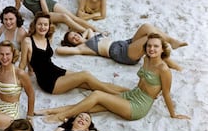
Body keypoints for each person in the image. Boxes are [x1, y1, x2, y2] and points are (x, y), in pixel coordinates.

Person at [36, 33, 190, 122]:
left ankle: (61, 116)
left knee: (97, 95)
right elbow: (142, 82)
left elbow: (167, 94)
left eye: (156, 46)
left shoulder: (164, 69)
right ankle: (52, 110)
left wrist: (173, 114)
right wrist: (131, 91)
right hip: (133, 94)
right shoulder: (146, 59)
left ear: (162, 49)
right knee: (93, 105)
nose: (151, 49)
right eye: (149, 46)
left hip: (138, 107)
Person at [19, 12, 127, 96]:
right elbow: (22, 65)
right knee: (85, 75)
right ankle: (116, 94)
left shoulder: (47, 39)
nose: (43, 27)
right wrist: (18, 84)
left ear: (48, 26)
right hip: (49, 82)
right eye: (40, 24)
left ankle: (126, 90)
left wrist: (31, 69)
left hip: (56, 70)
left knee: (90, 82)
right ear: (35, 25)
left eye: (45, 25)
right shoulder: (27, 41)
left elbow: (35, 60)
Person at [57, 23, 186, 71]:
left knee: (146, 27)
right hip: (121, 53)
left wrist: (82, 35)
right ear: (72, 44)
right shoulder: (82, 48)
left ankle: (172, 41)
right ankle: (173, 63)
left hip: (125, 43)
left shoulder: (90, 37)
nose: (75, 37)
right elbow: (59, 50)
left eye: (74, 34)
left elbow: (88, 29)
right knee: (150, 40)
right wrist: (76, 43)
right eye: (72, 39)